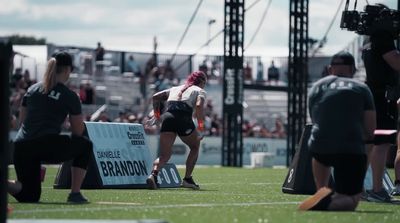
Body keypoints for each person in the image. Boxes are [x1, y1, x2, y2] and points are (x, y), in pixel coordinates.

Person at [7, 52, 93, 203]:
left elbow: (22, 122)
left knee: (29, 196)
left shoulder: (32, 89)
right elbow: (78, 131)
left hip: (21, 146)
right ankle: (75, 193)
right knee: (85, 145)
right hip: (45, 144)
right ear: (67, 70)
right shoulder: (69, 95)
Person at [298, 51, 376, 211]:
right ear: (353, 69)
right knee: (351, 201)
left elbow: (315, 119)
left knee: (321, 145)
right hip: (349, 149)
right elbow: (370, 129)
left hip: (319, 147)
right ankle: (327, 203)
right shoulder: (362, 88)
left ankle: (321, 191)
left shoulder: (317, 86)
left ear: (330, 69)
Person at [362, 3, 400, 201]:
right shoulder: (383, 38)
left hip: (373, 96)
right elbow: (395, 62)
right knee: (382, 144)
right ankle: (377, 189)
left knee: (370, 144)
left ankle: (359, 189)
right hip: (382, 98)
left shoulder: (369, 39)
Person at [146, 71, 207, 190]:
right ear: (202, 82)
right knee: (195, 146)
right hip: (183, 118)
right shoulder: (199, 90)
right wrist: (200, 126)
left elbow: (155, 97)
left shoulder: (175, 88)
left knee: (165, 155)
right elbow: (199, 106)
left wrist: (157, 115)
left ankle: (153, 175)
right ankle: (187, 179)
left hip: (168, 118)